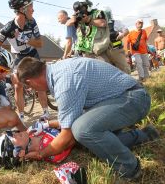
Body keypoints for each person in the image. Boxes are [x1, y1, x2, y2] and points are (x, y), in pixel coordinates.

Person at [16, 56, 159, 179]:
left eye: (28, 88)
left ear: (30, 82)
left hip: (134, 99)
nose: (31, 91)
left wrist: (41, 153)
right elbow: (69, 119)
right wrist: (47, 124)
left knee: (83, 130)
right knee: (94, 140)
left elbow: (68, 135)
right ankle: (145, 135)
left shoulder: (64, 83)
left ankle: (130, 169)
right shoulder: (58, 70)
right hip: (123, 97)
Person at [0, 0, 49, 122]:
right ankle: (20, 116)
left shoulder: (32, 22)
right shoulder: (7, 28)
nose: (33, 9)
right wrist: (2, 61)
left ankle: (46, 112)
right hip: (18, 56)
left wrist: (25, 39)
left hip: (32, 54)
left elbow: (40, 43)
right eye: (31, 6)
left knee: (40, 81)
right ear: (23, 9)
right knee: (17, 85)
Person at [0, 120, 74, 169]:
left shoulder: (32, 132)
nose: (14, 133)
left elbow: (63, 119)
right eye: (12, 139)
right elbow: (72, 132)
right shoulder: (54, 155)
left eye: (10, 133)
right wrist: (48, 124)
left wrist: (45, 124)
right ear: (20, 152)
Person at [101, 7, 131, 74]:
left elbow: (126, 30)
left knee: (125, 69)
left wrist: (122, 35)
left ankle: (129, 83)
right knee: (109, 72)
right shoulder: (99, 25)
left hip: (116, 50)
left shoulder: (116, 23)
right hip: (105, 52)